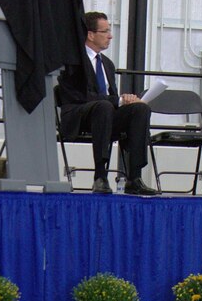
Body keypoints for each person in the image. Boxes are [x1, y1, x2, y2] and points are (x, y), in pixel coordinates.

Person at [56, 11, 156, 195]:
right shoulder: (72, 61)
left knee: (140, 109)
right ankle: (100, 176)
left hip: (104, 114)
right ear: (90, 34)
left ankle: (134, 177)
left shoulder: (107, 64)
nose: (110, 36)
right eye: (105, 31)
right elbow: (82, 96)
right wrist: (118, 100)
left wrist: (127, 102)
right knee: (104, 106)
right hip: (79, 114)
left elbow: (111, 97)